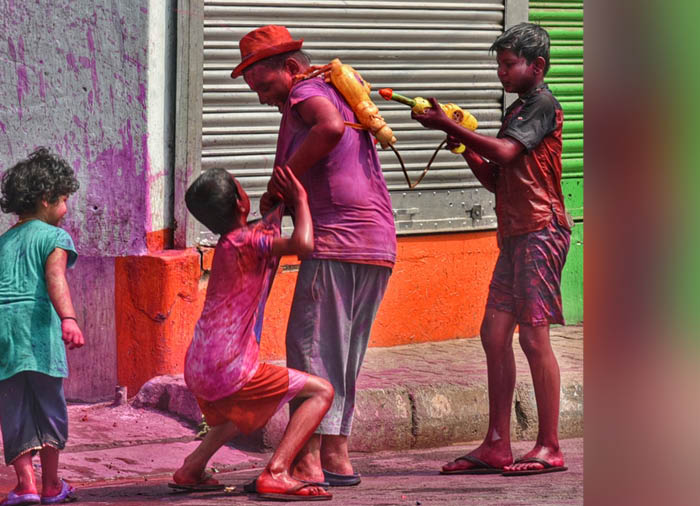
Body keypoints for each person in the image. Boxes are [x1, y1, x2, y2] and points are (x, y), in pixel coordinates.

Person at [231, 25, 396, 487]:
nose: (262, 98)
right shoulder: (334, 91)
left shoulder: (307, 92)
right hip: (375, 242)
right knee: (341, 355)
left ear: (290, 68)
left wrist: (281, 181)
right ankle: (337, 457)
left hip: (337, 242)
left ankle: (304, 463)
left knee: (309, 355)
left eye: (264, 86)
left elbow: (329, 128)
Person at [411, 22, 571, 476]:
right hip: (517, 234)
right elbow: (498, 179)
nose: (501, 72)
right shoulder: (518, 111)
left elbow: (502, 154)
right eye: (499, 64)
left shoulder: (541, 105)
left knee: (532, 336)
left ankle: (549, 446)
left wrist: (447, 123)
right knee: (494, 334)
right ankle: (497, 444)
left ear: (535, 67)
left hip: (541, 230)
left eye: (508, 64)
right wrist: (464, 147)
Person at [171, 166, 335, 501]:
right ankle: (277, 472)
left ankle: (192, 468)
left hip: (200, 365)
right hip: (230, 367)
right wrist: (301, 200)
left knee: (241, 412)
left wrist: (277, 209)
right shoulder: (249, 241)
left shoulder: (230, 242)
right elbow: (303, 245)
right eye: (241, 188)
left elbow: (265, 235)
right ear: (240, 203)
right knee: (322, 392)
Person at [0, 147, 85, 505]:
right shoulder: (55, 237)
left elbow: (3, 289)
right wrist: (69, 318)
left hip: (3, 331)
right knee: (49, 405)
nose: (66, 208)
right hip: (39, 330)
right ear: (46, 199)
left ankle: (26, 486)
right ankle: (52, 485)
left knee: (14, 407)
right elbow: (55, 278)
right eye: (64, 200)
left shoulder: (3, 241)